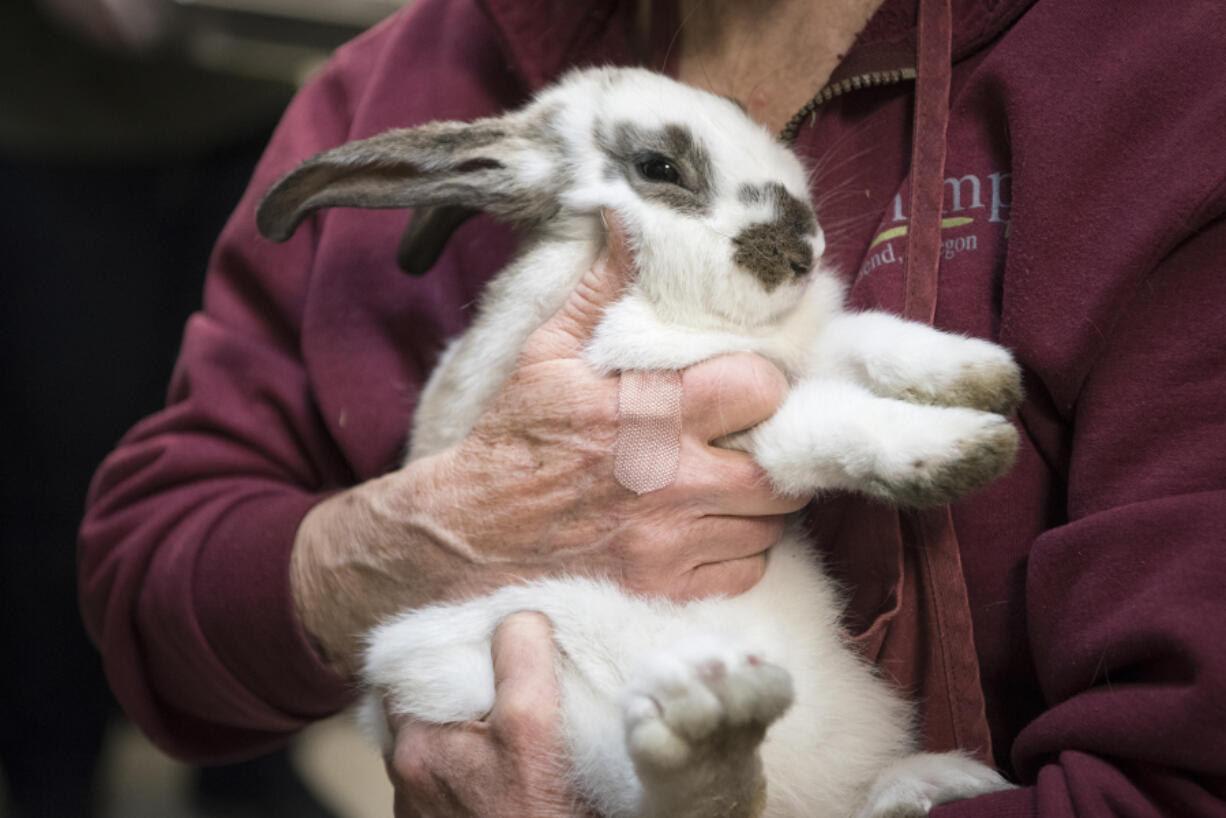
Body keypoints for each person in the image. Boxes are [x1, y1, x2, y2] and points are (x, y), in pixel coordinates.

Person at [78, 0, 1226, 815]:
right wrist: (417, 539)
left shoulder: (1158, 72)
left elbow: (1180, 769)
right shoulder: (411, 71)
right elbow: (150, 573)